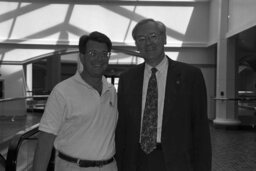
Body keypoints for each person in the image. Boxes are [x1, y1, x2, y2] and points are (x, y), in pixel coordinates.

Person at [115, 18, 212, 171]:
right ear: (137, 45)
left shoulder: (190, 76)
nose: (148, 42)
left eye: (153, 36)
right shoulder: (127, 79)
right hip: (135, 160)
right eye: (141, 39)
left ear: (164, 38)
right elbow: (122, 128)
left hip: (177, 161)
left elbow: (200, 128)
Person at [33, 31, 118, 171]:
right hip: (73, 167)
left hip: (109, 167)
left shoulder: (111, 91)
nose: (99, 59)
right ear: (82, 57)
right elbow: (45, 141)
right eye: (92, 53)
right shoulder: (62, 92)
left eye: (104, 54)